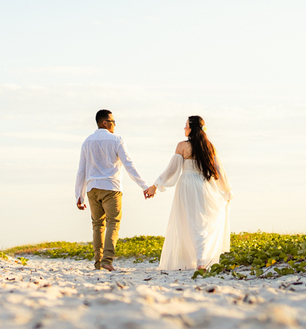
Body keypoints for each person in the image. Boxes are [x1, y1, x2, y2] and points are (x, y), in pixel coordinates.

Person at [147, 115, 232, 271]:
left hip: (187, 186)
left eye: (186, 125)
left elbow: (171, 170)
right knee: (202, 223)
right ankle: (200, 260)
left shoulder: (182, 146)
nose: (184, 128)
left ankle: (199, 261)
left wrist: (155, 185)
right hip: (204, 185)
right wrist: (227, 189)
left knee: (188, 223)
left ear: (192, 128)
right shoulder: (209, 147)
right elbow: (219, 170)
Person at [75, 109, 157, 271]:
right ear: (104, 123)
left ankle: (99, 263)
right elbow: (128, 164)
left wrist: (79, 195)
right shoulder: (117, 140)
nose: (115, 124)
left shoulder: (87, 141)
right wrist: (144, 185)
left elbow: (81, 170)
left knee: (97, 225)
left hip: (92, 189)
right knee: (113, 223)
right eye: (112, 121)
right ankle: (107, 259)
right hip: (111, 188)